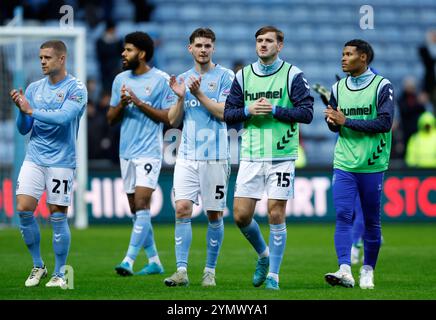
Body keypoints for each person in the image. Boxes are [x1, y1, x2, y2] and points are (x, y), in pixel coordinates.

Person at [224, 26, 314, 290]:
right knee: (240, 216)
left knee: (275, 213)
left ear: (280, 45)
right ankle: (263, 255)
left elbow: (306, 113)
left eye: (269, 41)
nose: (263, 45)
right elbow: (228, 114)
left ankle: (274, 275)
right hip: (251, 153)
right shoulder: (243, 76)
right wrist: (247, 110)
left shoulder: (292, 75)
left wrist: (274, 109)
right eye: (260, 41)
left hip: (282, 154)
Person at [10, 40, 87, 288]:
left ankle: (60, 273)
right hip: (34, 157)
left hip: (61, 161)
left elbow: (64, 119)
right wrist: (22, 111)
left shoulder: (76, 88)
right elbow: (24, 129)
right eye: (40, 57)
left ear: (61, 59)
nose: (42, 61)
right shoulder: (33, 88)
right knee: (23, 208)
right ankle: (38, 265)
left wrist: (31, 110)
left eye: (47, 58)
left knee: (57, 214)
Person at [164, 28, 234, 287]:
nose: (203, 49)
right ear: (189, 49)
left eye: (207, 45)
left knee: (214, 214)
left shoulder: (227, 77)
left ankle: (209, 271)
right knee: (182, 209)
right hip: (187, 156)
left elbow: (225, 113)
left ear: (213, 48)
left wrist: (199, 94)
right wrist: (181, 98)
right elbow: (172, 120)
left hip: (215, 156)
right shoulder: (182, 79)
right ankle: (181, 271)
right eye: (198, 45)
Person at [324, 39, 394, 289]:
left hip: (372, 164)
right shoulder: (338, 87)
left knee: (372, 221)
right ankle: (345, 269)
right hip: (344, 162)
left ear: (363, 58)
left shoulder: (381, 86)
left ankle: (367, 270)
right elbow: (336, 126)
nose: (343, 58)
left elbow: (384, 123)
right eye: (342, 54)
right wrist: (332, 121)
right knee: (343, 215)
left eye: (349, 54)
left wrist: (345, 120)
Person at [107, 32, 175, 277]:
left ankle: (128, 260)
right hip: (126, 150)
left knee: (143, 203)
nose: (123, 54)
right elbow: (110, 118)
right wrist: (123, 104)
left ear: (142, 54)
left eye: (128, 50)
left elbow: (168, 117)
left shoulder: (161, 80)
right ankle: (155, 261)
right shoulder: (119, 80)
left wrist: (139, 102)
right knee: (136, 209)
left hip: (149, 151)